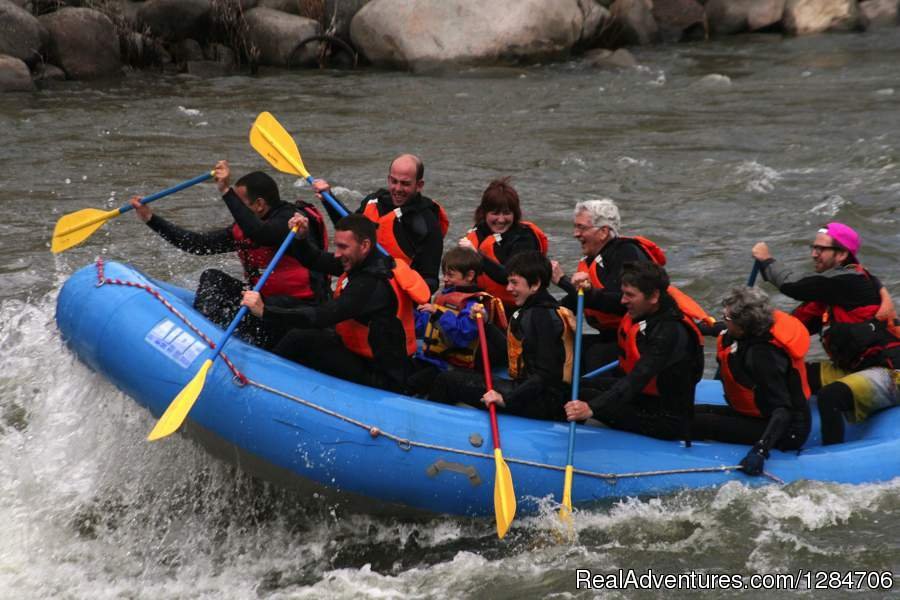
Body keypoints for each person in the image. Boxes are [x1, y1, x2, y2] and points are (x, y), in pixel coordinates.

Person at [131, 160, 328, 348]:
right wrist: (150, 219)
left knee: (265, 306)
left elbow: (262, 235)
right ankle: (203, 338)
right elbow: (197, 245)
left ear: (259, 205)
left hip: (298, 309)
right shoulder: (244, 228)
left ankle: (250, 351)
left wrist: (226, 191)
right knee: (212, 278)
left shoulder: (291, 220)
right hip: (262, 302)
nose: (237, 211)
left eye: (241, 204)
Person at [241, 213, 430, 393]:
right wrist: (301, 238)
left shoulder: (371, 285)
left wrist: (265, 312)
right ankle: (261, 360)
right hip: (358, 353)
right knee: (286, 305)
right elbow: (315, 259)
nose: (337, 254)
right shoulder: (365, 262)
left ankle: (258, 381)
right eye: (337, 246)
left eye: (343, 247)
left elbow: (322, 316)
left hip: (380, 378)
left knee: (300, 337)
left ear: (364, 245)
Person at [752, 222, 900, 445]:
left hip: (889, 372)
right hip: (854, 369)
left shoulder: (851, 282)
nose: (814, 254)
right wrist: (742, 329)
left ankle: (832, 454)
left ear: (841, 255)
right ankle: (781, 433)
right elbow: (792, 328)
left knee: (831, 396)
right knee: (790, 373)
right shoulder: (831, 293)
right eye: (813, 248)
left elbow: (794, 286)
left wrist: (766, 261)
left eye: (821, 249)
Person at [552, 199, 711, 373]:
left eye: (581, 227)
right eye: (575, 227)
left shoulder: (626, 253)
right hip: (613, 336)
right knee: (560, 347)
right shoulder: (591, 261)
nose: (576, 234)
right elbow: (576, 301)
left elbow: (619, 302)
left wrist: (563, 281)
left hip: (642, 338)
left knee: (591, 356)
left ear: (603, 232)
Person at [564, 261, 704, 443]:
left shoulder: (669, 332)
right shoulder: (647, 306)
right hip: (645, 398)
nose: (623, 300)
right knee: (577, 386)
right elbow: (606, 301)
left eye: (629, 295)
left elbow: (637, 378)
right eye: (623, 294)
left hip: (664, 420)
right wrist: (586, 289)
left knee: (584, 396)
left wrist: (592, 408)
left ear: (653, 296)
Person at [428, 251, 575, 422]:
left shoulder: (541, 317)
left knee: (447, 380)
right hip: (533, 392)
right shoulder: (535, 309)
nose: (508, 289)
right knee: (459, 374)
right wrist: (486, 324)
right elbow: (511, 350)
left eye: (514, 283)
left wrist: (506, 399)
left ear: (535, 285)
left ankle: (432, 430)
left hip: (540, 401)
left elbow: (546, 374)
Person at [693, 287, 812, 475]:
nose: (724, 320)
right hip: (756, 414)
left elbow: (782, 410)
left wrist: (760, 451)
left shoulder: (762, 355)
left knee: (699, 423)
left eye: (727, 317)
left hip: (787, 429)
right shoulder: (746, 332)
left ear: (743, 325)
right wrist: (698, 327)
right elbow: (722, 329)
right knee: (687, 412)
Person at [311, 154, 448, 293]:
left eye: (405, 183)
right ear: (388, 179)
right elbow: (349, 229)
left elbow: (430, 280)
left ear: (419, 185)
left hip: (395, 299)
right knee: (312, 259)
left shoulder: (427, 223)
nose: (398, 189)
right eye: (394, 181)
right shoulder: (373, 201)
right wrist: (328, 199)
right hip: (361, 282)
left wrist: (401, 292)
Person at [458, 178, 548, 316]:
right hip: (485, 308)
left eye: (507, 213)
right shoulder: (478, 233)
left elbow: (508, 275)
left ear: (515, 214)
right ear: (484, 213)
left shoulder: (524, 238)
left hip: (521, 310)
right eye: (495, 213)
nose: (501, 219)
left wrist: (476, 255)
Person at [416, 246, 508, 371]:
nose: (445, 279)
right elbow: (424, 327)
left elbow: (462, 336)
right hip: (433, 358)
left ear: (470, 276)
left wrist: (438, 313)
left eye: (450, 275)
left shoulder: (474, 306)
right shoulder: (444, 296)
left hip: (452, 366)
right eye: (444, 274)